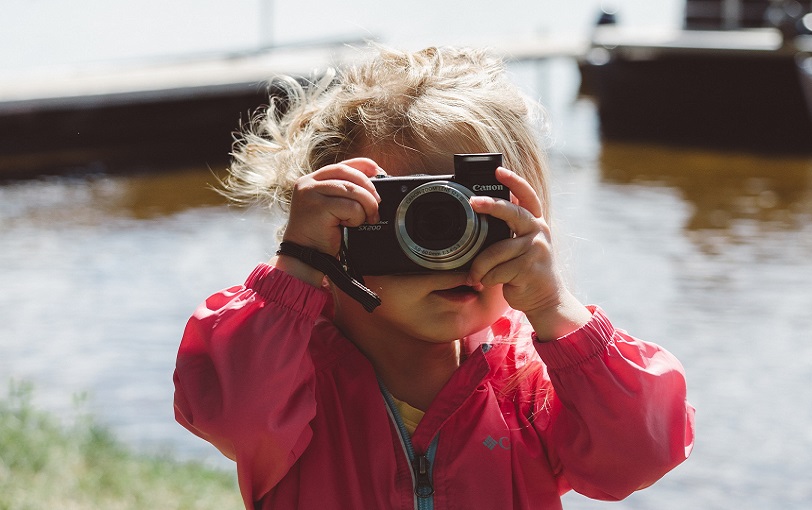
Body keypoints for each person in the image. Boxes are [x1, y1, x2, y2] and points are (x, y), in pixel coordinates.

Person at [173, 45, 694, 509]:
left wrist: (553, 307)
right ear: (338, 226)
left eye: (480, 216)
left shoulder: (528, 384)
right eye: (418, 214)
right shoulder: (291, 376)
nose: (452, 250)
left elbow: (640, 456)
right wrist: (299, 265)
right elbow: (226, 414)